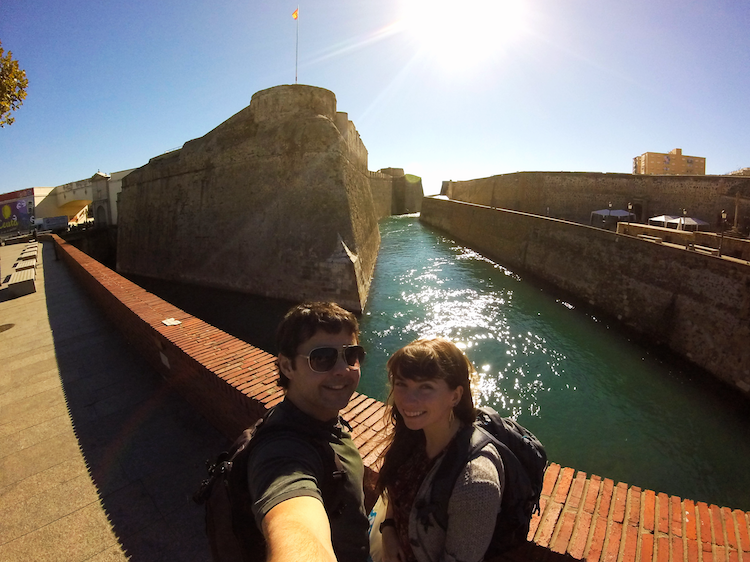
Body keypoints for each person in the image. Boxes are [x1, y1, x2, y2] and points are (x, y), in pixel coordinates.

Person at [246, 302, 370, 562]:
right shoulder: (282, 453)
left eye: (351, 355)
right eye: (322, 358)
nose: (342, 369)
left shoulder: (321, 417)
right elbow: (294, 521)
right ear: (287, 366)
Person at [375, 338, 504, 562]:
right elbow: (397, 492)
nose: (408, 400)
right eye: (401, 383)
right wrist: (387, 531)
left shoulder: (475, 483)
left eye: (426, 387)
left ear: (455, 396)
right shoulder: (416, 432)